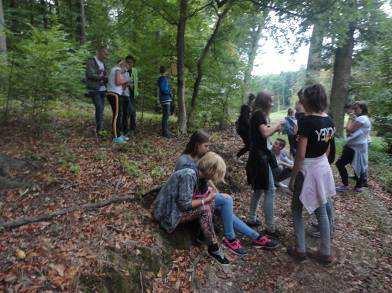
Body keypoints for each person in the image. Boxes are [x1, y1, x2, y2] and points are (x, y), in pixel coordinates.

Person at [175, 130, 279, 256]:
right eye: (206, 146)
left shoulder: (199, 157)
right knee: (226, 201)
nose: (208, 149)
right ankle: (231, 239)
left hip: (199, 195)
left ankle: (255, 236)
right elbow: (184, 189)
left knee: (226, 205)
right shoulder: (184, 162)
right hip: (190, 201)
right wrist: (210, 197)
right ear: (197, 145)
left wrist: (216, 193)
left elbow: (205, 180)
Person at [287, 84, 336, 265]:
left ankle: (300, 249)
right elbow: (328, 148)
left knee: (296, 209)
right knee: (322, 210)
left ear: (309, 100)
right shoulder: (329, 120)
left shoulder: (306, 122)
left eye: (303, 98)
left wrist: (293, 178)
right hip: (322, 168)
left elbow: (300, 154)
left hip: (307, 170)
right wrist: (319, 163)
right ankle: (325, 252)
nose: (300, 101)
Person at [154, 152, 230, 264]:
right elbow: (184, 204)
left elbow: (190, 195)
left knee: (210, 202)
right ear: (211, 170)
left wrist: (207, 196)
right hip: (165, 214)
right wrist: (205, 199)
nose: (216, 177)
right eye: (217, 173)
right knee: (205, 208)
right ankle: (213, 248)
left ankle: (202, 233)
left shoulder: (197, 173)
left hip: (171, 208)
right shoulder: (189, 175)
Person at [245, 91, 284, 238]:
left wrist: (273, 130)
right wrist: (277, 125)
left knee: (259, 189)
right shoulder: (259, 114)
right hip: (260, 158)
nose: (272, 103)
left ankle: (251, 218)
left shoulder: (257, 114)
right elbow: (265, 133)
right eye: (271, 100)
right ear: (265, 101)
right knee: (270, 190)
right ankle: (270, 228)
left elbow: (263, 135)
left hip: (259, 155)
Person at [336, 101, 371, 193]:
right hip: (357, 145)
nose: (354, 110)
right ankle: (359, 186)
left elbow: (349, 129)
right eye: (354, 108)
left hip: (354, 146)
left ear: (362, 108)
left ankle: (346, 185)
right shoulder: (363, 118)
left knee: (340, 164)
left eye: (356, 108)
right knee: (359, 164)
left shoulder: (362, 119)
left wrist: (350, 119)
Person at [85, 47, 108, 137]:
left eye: (107, 54)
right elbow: (90, 74)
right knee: (99, 107)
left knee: (101, 109)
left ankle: (100, 129)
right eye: (105, 54)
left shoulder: (103, 63)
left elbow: (105, 74)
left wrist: (106, 78)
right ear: (99, 52)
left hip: (102, 89)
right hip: (94, 89)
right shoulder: (91, 61)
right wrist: (102, 77)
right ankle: (99, 130)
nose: (106, 56)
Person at [106, 60, 129, 143]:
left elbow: (121, 87)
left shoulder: (118, 72)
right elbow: (118, 82)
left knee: (119, 114)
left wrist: (125, 84)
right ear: (122, 65)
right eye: (125, 69)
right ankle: (116, 136)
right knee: (116, 115)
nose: (125, 71)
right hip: (113, 94)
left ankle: (118, 133)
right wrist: (126, 81)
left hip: (117, 94)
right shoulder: (117, 69)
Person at [123, 55, 139, 137]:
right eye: (128, 62)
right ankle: (125, 129)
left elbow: (136, 82)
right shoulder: (122, 70)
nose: (129, 64)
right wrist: (128, 84)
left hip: (132, 94)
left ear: (133, 64)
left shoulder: (135, 71)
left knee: (133, 112)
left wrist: (136, 91)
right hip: (124, 94)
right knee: (126, 112)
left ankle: (132, 129)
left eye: (131, 62)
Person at [235, 94, 255, 159]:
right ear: (251, 100)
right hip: (243, 130)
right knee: (249, 145)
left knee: (250, 145)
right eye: (253, 100)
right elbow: (245, 120)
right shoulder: (246, 107)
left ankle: (238, 156)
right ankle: (237, 156)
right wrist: (252, 126)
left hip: (243, 129)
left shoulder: (248, 107)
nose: (253, 102)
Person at [157, 66, 173, 138]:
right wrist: (169, 92)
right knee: (166, 116)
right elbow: (163, 89)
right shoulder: (163, 79)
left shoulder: (162, 79)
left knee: (166, 116)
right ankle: (165, 133)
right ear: (165, 71)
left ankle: (166, 131)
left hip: (165, 99)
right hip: (165, 99)